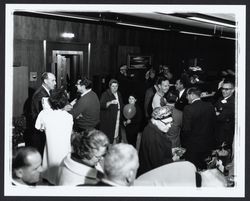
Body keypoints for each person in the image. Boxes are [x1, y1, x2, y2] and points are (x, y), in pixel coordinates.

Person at [35, 89, 73, 185]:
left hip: (51, 147)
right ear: (64, 102)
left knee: (50, 167)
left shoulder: (44, 114)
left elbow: (38, 127)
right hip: (64, 149)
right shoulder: (69, 117)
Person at [137, 106, 180, 176]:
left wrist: (170, 150)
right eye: (166, 123)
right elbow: (158, 164)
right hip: (151, 174)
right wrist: (173, 159)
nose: (169, 126)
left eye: (171, 122)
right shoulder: (154, 138)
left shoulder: (150, 127)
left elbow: (157, 151)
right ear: (156, 121)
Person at [182, 87, 216, 170]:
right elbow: (214, 124)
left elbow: (186, 129)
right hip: (207, 145)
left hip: (193, 147)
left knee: (192, 169)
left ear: (192, 95)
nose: (186, 97)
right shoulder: (209, 105)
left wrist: (184, 145)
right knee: (205, 169)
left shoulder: (188, 108)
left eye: (187, 95)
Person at [30, 72, 56, 156]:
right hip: (40, 132)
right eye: (53, 80)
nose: (55, 83)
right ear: (45, 81)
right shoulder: (40, 94)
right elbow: (41, 115)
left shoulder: (47, 92)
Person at [100, 79, 124, 144]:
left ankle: (115, 140)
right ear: (110, 86)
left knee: (116, 130)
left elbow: (121, 104)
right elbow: (102, 105)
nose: (114, 88)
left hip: (117, 115)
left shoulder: (119, 94)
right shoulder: (105, 94)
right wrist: (110, 102)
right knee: (109, 133)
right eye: (113, 86)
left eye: (116, 86)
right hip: (109, 118)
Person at [214, 79, 235, 150]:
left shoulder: (233, 102)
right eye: (222, 89)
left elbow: (220, 117)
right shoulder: (220, 99)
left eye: (227, 89)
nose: (223, 91)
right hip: (218, 132)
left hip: (225, 135)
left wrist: (217, 113)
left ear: (232, 90)